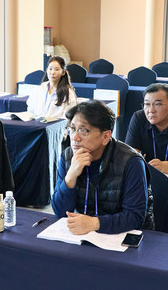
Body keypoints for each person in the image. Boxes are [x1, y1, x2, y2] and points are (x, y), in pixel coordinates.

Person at [52, 100, 152, 235]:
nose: (75, 137)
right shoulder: (68, 156)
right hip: (84, 234)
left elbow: (135, 217)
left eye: (83, 131)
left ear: (105, 136)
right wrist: (71, 176)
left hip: (123, 237)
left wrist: (94, 223)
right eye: (73, 129)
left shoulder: (131, 162)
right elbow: (59, 212)